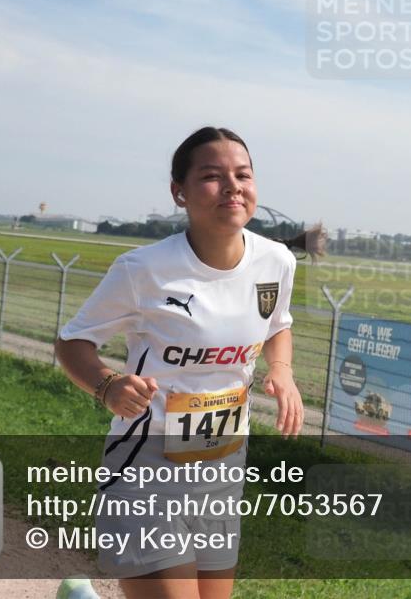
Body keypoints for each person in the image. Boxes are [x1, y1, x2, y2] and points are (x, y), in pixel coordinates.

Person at [54, 126, 319, 599]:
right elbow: (72, 342)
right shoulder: (143, 270)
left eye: (243, 175)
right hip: (146, 469)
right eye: (212, 176)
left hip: (223, 469)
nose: (232, 187)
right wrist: (107, 385)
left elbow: (277, 324)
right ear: (180, 192)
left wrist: (282, 371)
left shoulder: (277, 261)